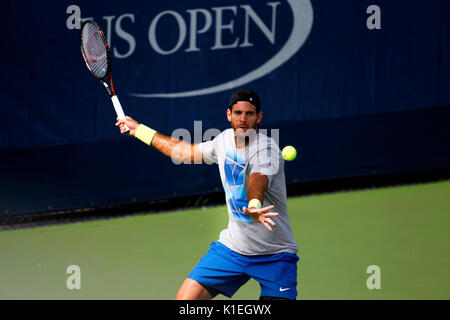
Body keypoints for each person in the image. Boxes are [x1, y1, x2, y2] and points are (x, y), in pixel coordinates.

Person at [116, 89, 299, 300]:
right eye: (238, 113)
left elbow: (258, 179)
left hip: (275, 255)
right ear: (228, 114)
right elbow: (182, 152)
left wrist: (255, 203)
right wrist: (139, 130)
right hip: (234, 248)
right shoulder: (223, 141)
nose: (243, 119)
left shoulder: (267, 150)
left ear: (259, 117)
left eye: (249, 114)